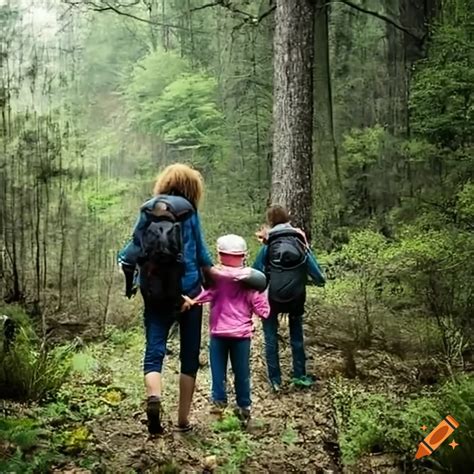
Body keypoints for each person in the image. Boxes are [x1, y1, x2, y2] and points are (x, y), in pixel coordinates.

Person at [118, 163, 213, 434]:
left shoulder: (148, 209)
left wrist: (124, 266)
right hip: (190, 292)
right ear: (192, 188)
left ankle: (154, 398)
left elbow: (132, 250)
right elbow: (203, 255)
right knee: (189, 354)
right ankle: (183, 421)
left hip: (156, 292)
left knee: (155, 348)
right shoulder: (189, 211)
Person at [183, 234, 270, 423]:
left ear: (220, 254)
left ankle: (218, 406)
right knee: (242, 373)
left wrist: (192, 301)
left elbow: (206, 295)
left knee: (218, 372)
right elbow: (262, 308)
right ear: (243, 255)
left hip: (218, 334)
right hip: (241, 336)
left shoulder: (217, 280)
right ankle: (244, 408)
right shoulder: (250, 283)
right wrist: (265, 309)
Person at [253, 205, 325, 392]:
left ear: (270, 222)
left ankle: (275, 381)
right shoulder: (300, 243)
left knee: (270, 338)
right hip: (296, 298)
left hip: (271, 299)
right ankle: (300, 376)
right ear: (288, 219)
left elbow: (255, 273)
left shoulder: (268, 246)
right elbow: (319, 277)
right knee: (297, 337)